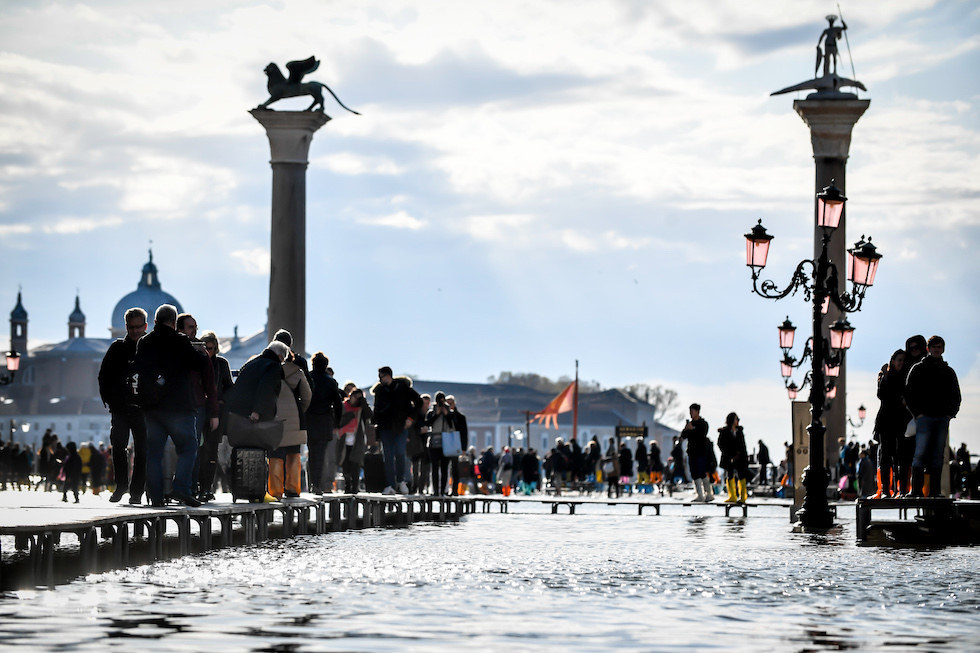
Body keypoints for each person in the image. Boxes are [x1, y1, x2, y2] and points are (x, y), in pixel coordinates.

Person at [132, 304, 210, 507]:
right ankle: (181, 488)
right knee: (188, 448)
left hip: (152, 407)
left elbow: (139, 369)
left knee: (154, 454)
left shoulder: (145, 342)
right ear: (174, 323)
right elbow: (198, 364)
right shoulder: (180, 341)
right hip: (179, 407)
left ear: (155, 322)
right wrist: (200, 351)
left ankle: (156, 497)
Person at [98, 307, 149, 504]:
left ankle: (136, 491)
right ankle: (121, 485)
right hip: (120, 408)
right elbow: (104, 376)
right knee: (118, 446)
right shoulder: (117, 348)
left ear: (145, 326)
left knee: (142, 450)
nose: (135, 331)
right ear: (126, 327)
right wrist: (110, 401)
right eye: (132, 327)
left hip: (143, 409)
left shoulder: (150, 348)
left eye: (139, 327)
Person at [905, 335, 961, 498]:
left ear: (943, 349)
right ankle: (916, 491)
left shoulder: (948, 371)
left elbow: (956, 395)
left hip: (941, 418)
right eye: (934, 347)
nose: (937, 350)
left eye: (939, 347)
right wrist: (918, 413)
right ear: (929, 349)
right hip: (924, 418)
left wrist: (950, 414)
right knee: (921, 453)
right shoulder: (918, 369)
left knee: (938, 454)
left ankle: (935, 491)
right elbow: (909, 393)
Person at [268, 345, 312, 499]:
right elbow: (307, 397)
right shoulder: (298, 372)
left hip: (275, 418)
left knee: (276, 456)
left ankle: (275, 491)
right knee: (294, 455)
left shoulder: (271, 370)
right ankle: (293, 488)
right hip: (295, 419)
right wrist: (299, 411)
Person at [371, 367, 422, 495]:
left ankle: (401, 481)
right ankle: (390, 485)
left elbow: (419, 401)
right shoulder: (380, 391)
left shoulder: (402, 387)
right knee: (387, 457)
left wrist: (411, 418)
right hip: (385, 428)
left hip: (400, 427)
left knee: (400, 453)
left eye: (381, 376)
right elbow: (376, 410)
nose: (380, 379)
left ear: (388, 376)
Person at [196, 330, 234, 501]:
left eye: (210, 348)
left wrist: (221, 402)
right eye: (205, 348)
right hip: (198, 411)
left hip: (215, 412)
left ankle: (206, 487)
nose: (208, 352)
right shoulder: (196, 363)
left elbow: (229, 388)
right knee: (198, 450)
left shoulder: (221, 364)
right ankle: (197, 485)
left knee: (211, 452)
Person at [872, 349, 911, 499]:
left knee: (900, 455)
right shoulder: (885, 376)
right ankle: (885, 490)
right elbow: (881, 394)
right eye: (898, 360)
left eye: (903, 360)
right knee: (885, 455)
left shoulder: (906, 377)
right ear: (893, 361)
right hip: (886, 420)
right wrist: (886, 377)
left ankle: (900, 490)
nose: (901, 363)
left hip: (901, 420)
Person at [306, 352, 343, 494]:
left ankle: (311, 483)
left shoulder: (307, 378)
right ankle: (317, 485)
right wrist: (336, 423)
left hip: (309, 420)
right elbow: (338, 404)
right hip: (324, 422)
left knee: (311, 453)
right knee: (320, 455)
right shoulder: (330, 381)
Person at [337, 386, 373, 494]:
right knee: (345, 463)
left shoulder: (361, 409)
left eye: (358, 398)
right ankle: (347, 485)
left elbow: (369, 415)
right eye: (354, 397)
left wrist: (363, 402)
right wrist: (349, 416)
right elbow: (339, 422)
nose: (355, 400)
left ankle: (355, 486)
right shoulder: (344, 406)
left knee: (355, 464)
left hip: (357, 440)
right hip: (343, 440)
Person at [424, 392, 456, 496]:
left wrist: (446, 414)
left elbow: (453, 423)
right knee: (434, 468)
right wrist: (436, 414)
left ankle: (443, 490)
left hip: (446, 442)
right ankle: (435, 490)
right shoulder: (431, 412)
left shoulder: (449, 412)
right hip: (434, 442)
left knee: (444, 468)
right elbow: (428, 423)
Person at [681, 403, 711, 502]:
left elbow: (701, 434)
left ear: (697, 411)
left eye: (692, 411)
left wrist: (692, 430)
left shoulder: (703, 423)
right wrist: (687, 428)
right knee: (694, 473)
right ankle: (699, 495)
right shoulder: (690, 424)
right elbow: (683, 435)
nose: (691, 413)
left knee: (701, 472)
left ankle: (709, 493)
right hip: (691, 452)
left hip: (701, 452)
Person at [446, 395, 468, 495]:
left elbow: (464, 433)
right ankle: (445, 488)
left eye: (450, 404)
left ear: (454, 404)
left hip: (456, 443)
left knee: (455, 468)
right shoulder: (443, 416)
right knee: (445, 467)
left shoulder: (460, 417)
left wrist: (463, 448)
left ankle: (455, 490)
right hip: (445, 443)